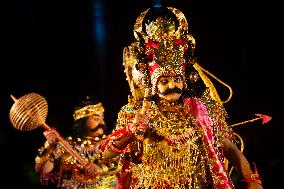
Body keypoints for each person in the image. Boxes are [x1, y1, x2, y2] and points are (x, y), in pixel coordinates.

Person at [102, 5, 264, 189]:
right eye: (164, 80)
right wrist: (132, 131)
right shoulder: (133, 112)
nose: (172, 86)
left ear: (185, 80)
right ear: (152, 84)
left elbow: (230, 149)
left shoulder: (205, 110)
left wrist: (253, 182)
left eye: (177, 79)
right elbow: (107, 155)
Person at [34, 96, 122, 189]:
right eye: (96, 119)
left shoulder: (110, 143)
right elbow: (41, 170)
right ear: (82, 121)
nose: (102, 123)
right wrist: (49, 145)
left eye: (102, 118)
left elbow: (123, 164)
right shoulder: (65, 145)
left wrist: (101, 168)